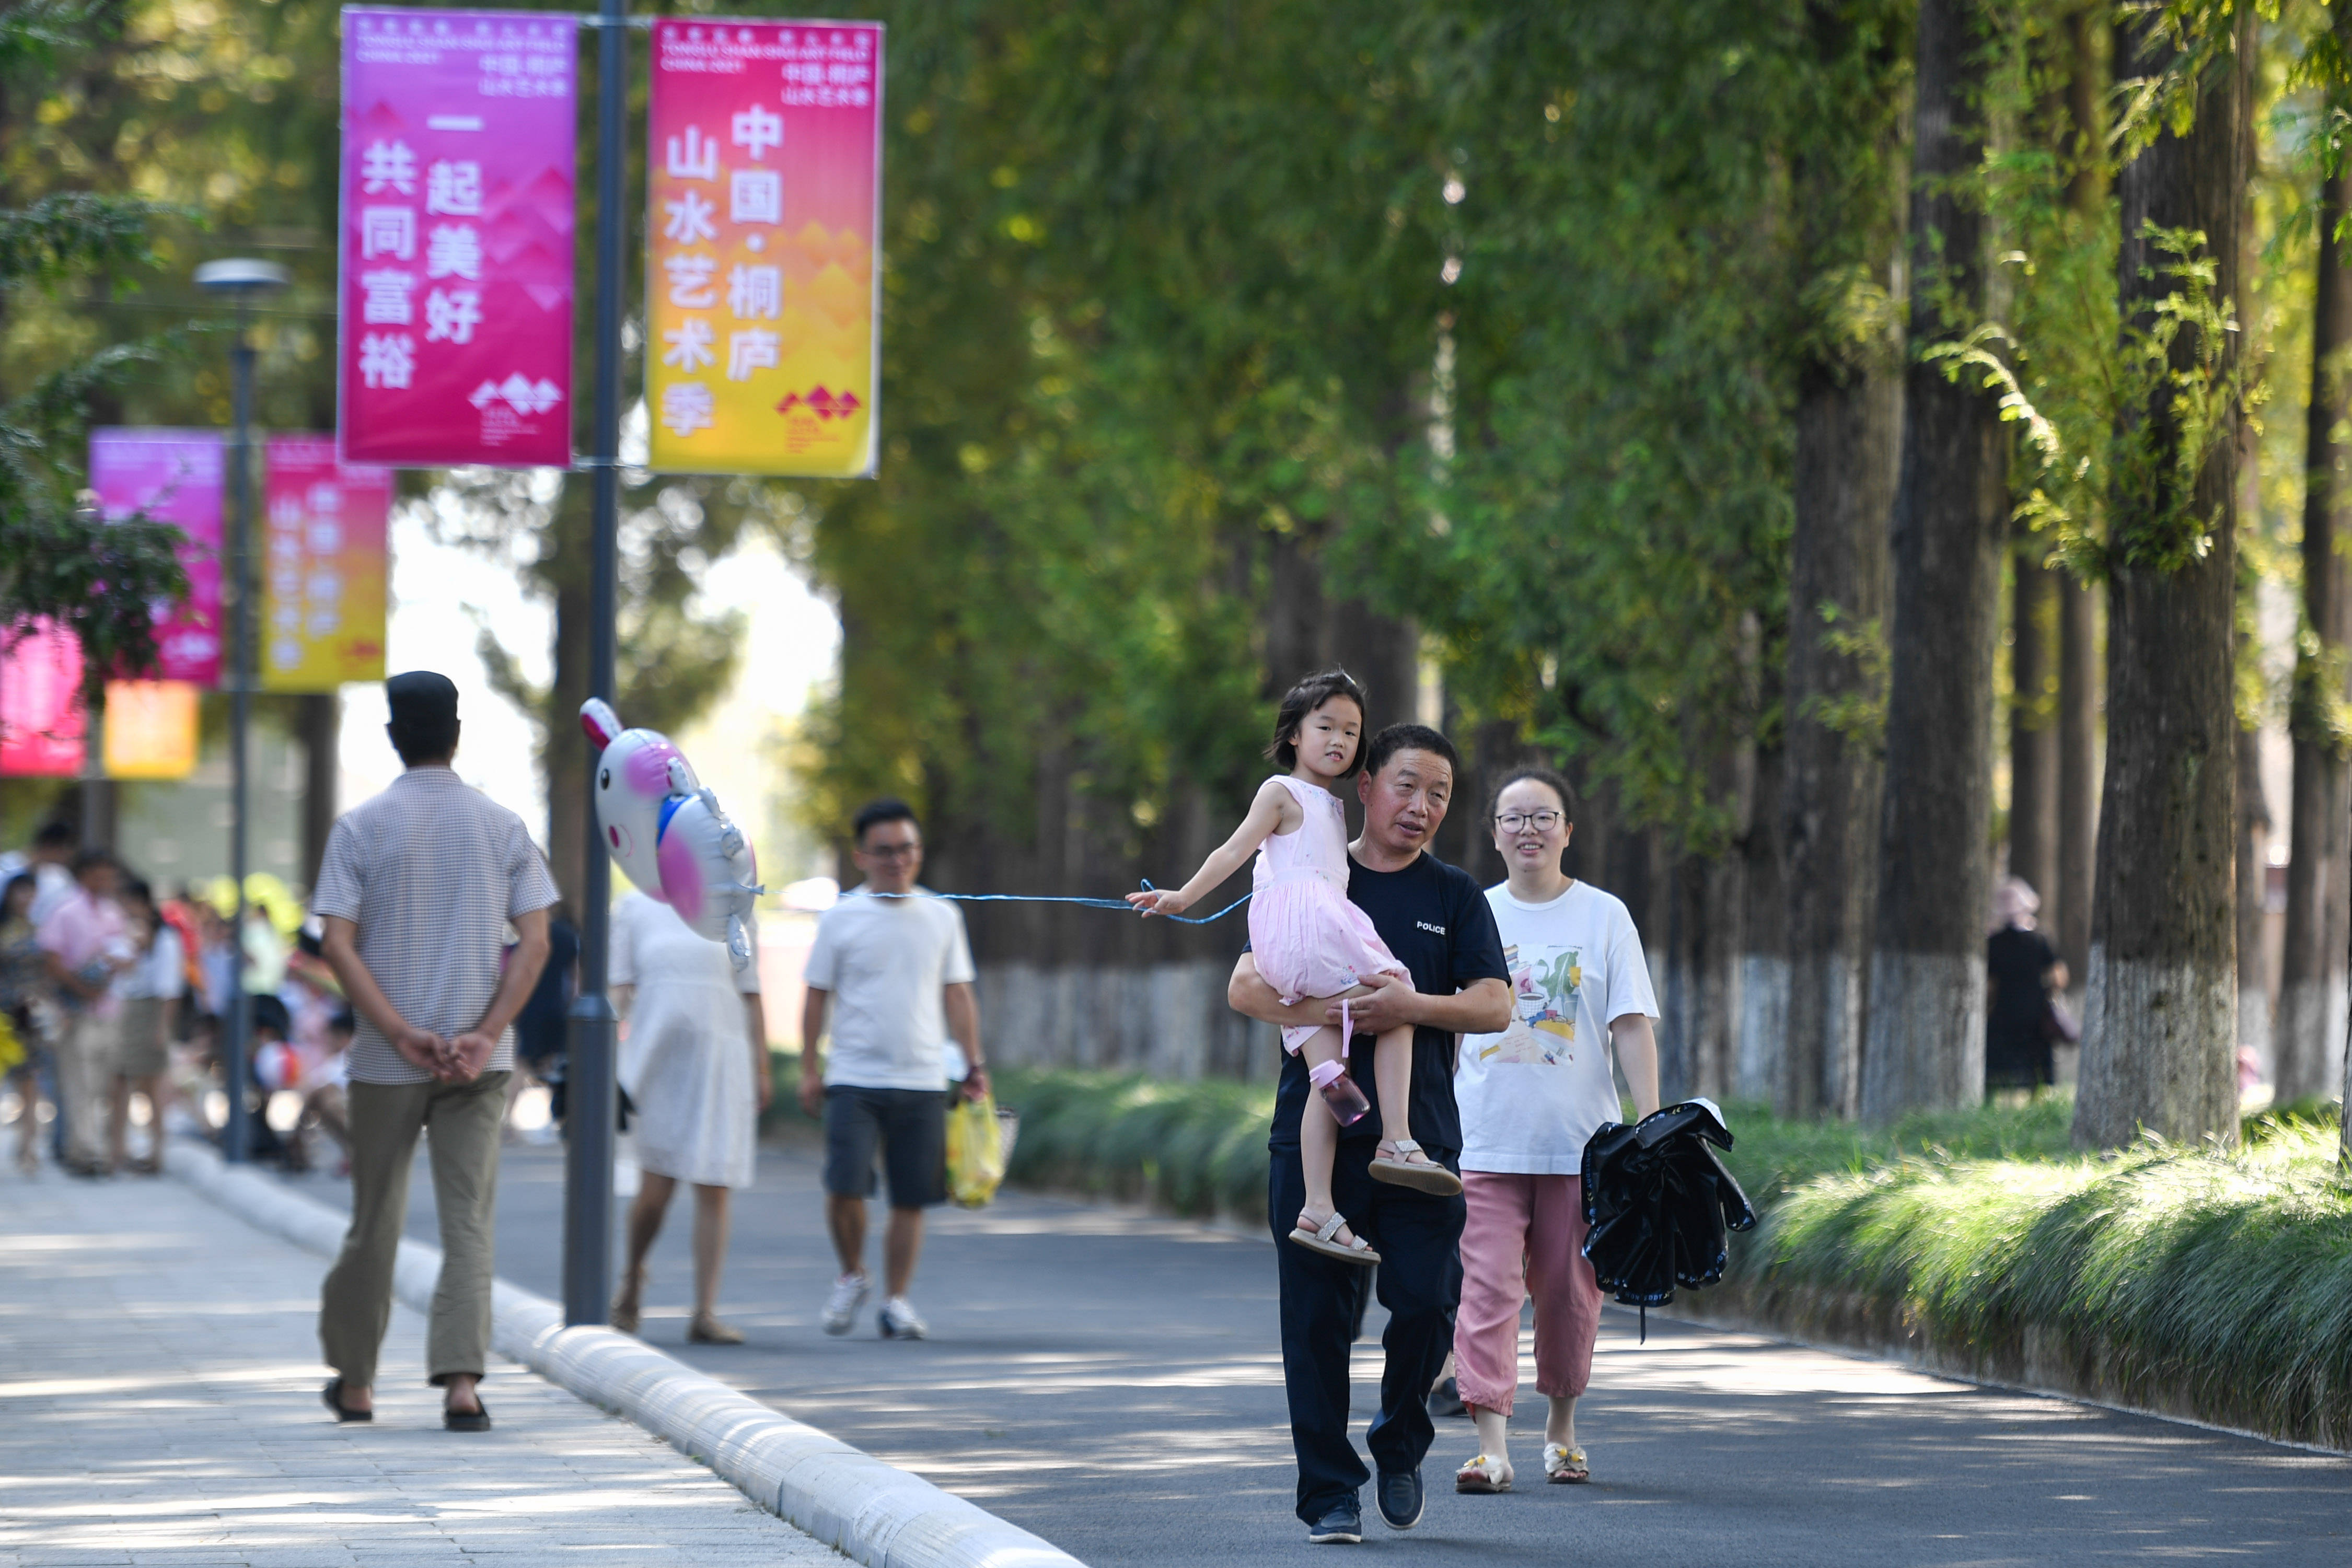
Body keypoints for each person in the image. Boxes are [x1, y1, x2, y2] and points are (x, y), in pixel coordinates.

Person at [1227, 723, 1512, 1544]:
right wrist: (1330, 1012)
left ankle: (1399, 1441)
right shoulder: (1311, 866)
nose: (1420, 807)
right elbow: (1245, 983)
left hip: (1420, 1145)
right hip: (1317, 1132)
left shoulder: (1451, 893)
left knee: (1426, 1300)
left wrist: (1409, 1007)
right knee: (1316, 1320)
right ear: (1365, 786)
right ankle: (1328, 1493)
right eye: (1406, 786)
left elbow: (1493, 1004)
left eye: (1439, 795)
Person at [1134, 671, 1457, 1271]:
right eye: (1325, 726)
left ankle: (1317, 1207)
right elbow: (1233, 849)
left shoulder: (1329, 805)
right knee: (1397, 998)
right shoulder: (1281, 791)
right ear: (1293, 735)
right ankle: (1399, 1138)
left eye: (1351, 731)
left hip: (1291, 942)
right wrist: (1184, 896)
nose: (1338, 739)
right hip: (1309, 926)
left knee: (1330, 1078)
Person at [311, 671, 556, 1432]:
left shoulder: (360, 826)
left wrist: (395, 1029)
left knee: (375, 1217)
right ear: (458, 733)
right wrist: (485, 1032)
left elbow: (336, 943)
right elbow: (536, 942)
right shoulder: (504, 827)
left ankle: (356, 1382)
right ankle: (461, 1384)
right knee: (468, 1219)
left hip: (389, 1061)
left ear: (393, 736)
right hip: (479, 1063)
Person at [1448, 766, 1660, 1494]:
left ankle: (1562, 1430)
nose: (1529, 829)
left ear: (1568, 832)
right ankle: (1491, 1448)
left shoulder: (1604, 916)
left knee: (1572, 1294)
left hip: (1582, 1148)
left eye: (1544, 817)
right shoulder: (1468, 912)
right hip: (1484, 1140)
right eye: (1513, 818)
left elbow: (1630, 1024)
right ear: (1494, 834)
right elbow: (1442, 1023)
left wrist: (1650, 1125)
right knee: (1485, 1291)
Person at [799, 798, 986, 1341]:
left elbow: (959, 995)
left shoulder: (942, 915)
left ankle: (896, 1299)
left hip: (924, 1076)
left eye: (906, 849)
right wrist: (809, 1067)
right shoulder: (839, 917)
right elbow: (816, 995)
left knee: (910, 1197)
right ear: (861, 856)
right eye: (883, 851)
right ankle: (852, 1272)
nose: (896, 860)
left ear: (919, 853)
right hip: (853, 1076)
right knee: (844, 1186)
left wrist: (975, 1064)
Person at [607, 891, 770, 1342]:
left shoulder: (734, 904)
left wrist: (762, 1066)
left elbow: (751, 990)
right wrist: (597, 1054)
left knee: (715, 1186)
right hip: (659, 1063)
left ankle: (705, 1311)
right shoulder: (636, 907)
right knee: (654, 1190)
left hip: (722, 1059)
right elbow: (619, 988)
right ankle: (632, 1280)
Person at [37, 849, 134, 1176]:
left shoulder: (112, 912)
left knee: (104, 1084)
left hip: (109, 1009)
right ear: (86, 874)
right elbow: (52, 961)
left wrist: (116, 967)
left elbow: (125, 954)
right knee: (78, 1082)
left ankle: (99, 1148)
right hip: (76, 1010)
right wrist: (82, 988)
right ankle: (85, 1152)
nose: (107, 881)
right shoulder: (65, 911)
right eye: (102, 873)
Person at [107, 878, 183, 1175]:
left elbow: (170, 989)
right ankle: (117, 1151)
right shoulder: (123, 933)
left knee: (150, 1086)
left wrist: (162, 1028)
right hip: (124, 1009)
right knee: (119, 1083)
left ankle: (156, 1153)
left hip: (151, 1010)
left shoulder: (166, 938)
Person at [1985, 877, 2068, 1095]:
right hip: (2035, 1012)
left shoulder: (1994, 942)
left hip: (2004, 1012)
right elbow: (2059, 977)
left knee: (1998, 1071)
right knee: (2037, 1071)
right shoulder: (2040, 939)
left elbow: (1989, 985)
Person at [2, 872, 53, 1174]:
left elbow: (47, 973)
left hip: (30, 1014)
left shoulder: (39, 930)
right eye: (21, 892)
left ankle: (28, 1147)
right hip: (2, 1014)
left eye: (31, 893)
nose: (26, 899)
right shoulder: (5, 929)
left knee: (30, 1080)